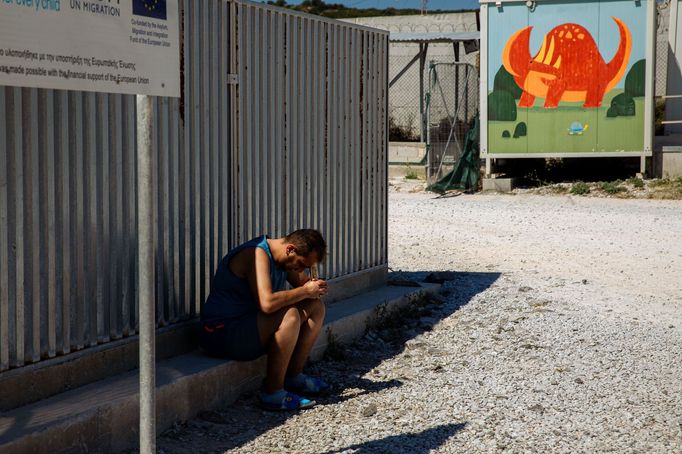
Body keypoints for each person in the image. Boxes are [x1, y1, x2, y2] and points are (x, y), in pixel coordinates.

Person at [200, 229, 330, 410]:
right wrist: (306, 291)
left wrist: (315, 286)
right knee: (290, 315)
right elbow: (267, 304)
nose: (299, 270)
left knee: (315, 306)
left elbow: (302, 286)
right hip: (222, 333)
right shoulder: (255, 254)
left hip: (249, 327)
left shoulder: (285, 259)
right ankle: (272, 393)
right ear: (290, 249)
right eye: (300, 264)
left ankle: (293, 377)